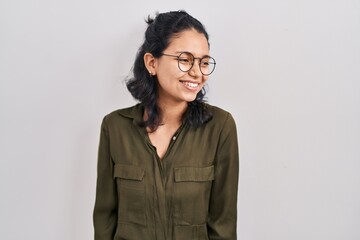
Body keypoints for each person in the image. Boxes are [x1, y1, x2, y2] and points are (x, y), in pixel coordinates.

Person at [93, 10, 239, 240]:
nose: (197, 72)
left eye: (203, 62)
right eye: (184, 59)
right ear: (152, 63)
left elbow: (224, 225)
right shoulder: (115, 128)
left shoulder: (220, 127)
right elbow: (104, 220)